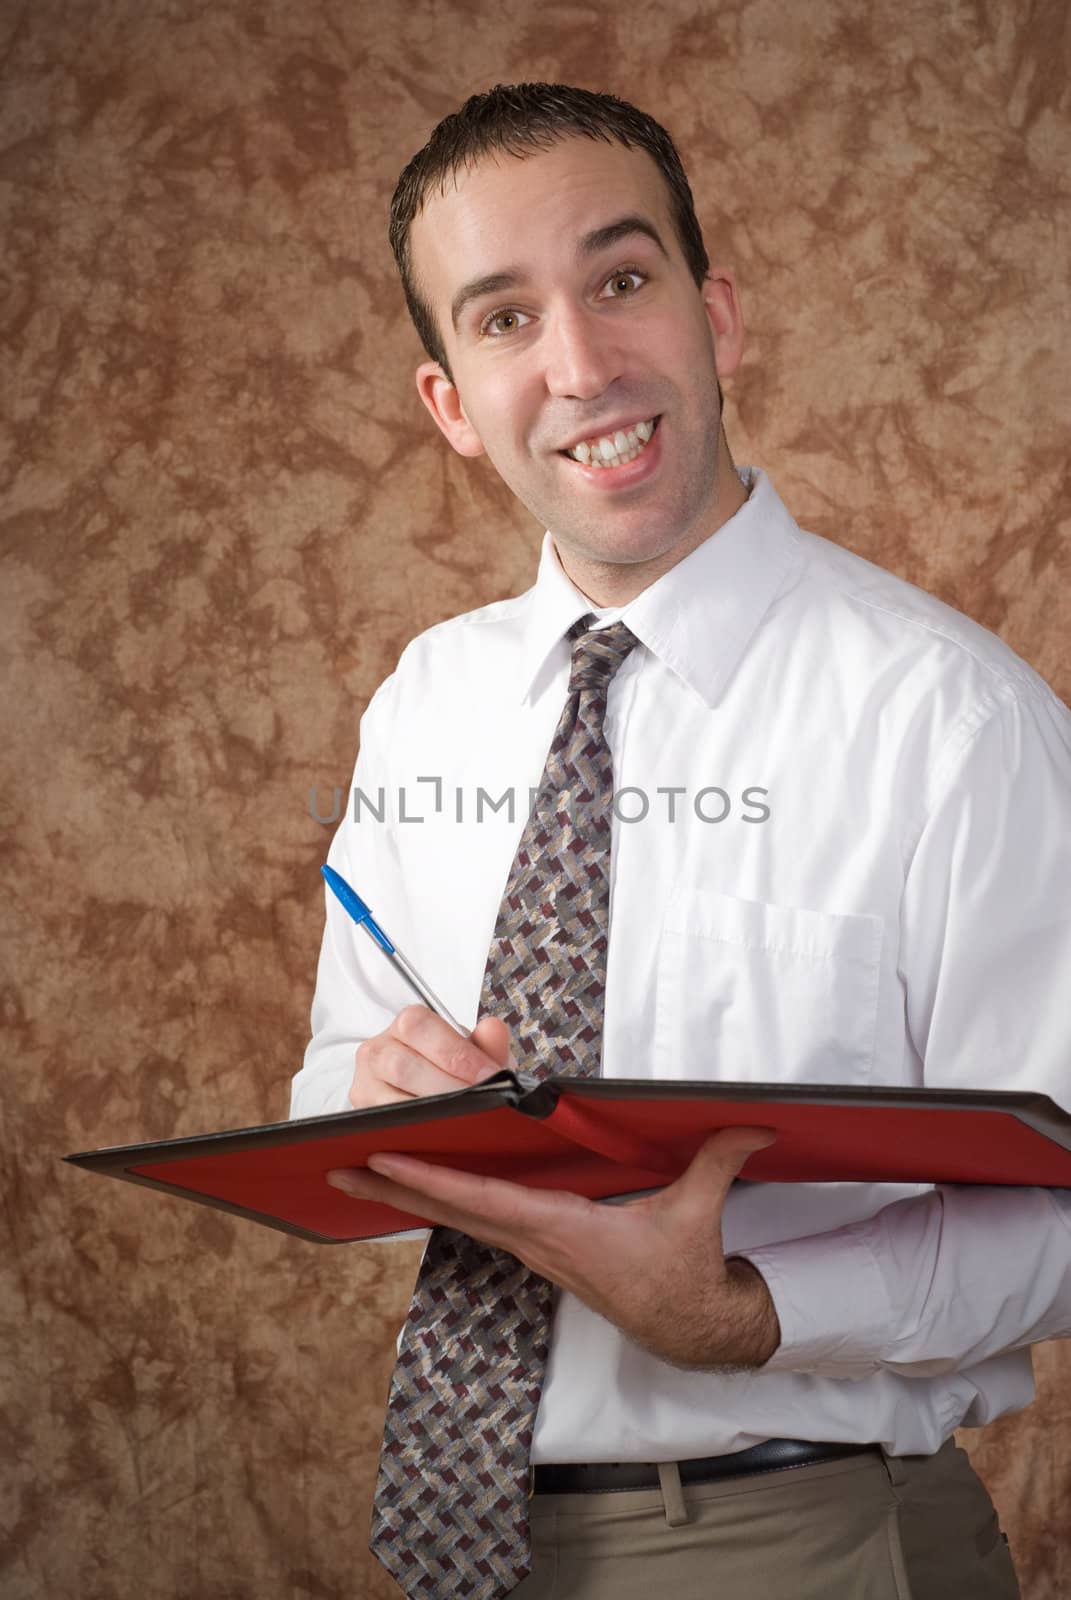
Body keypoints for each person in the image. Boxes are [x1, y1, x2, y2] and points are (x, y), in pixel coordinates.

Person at [291, 83, 1071, 1599]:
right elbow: (332, 1080)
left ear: (718, 315)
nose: (581, 365)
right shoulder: (429, 704)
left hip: (810, 1541)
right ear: (450, 402)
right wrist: (377, 1100)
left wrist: (748, 1309)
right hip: (469, 1542)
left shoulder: (952, 723)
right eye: (505, 319)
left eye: (622, 282)